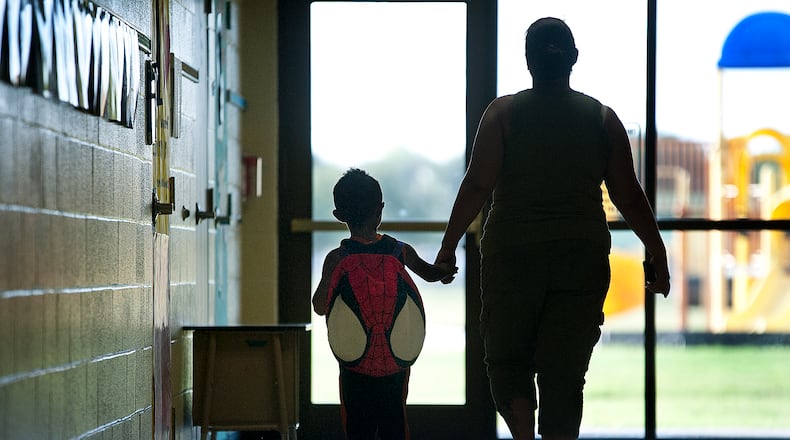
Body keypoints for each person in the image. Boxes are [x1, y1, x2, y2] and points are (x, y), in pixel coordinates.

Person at [434, 17, 670, 440]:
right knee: (564, 372)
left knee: (507, 359)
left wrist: (448, 247)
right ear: (574, 59)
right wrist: (657, 250)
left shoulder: (503, 114)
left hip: (512, 257)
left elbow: (476, 185)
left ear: (526, 61)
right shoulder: (601, 118)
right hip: (580, 259)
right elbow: (629, 196)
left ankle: (523, 433)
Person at [313, 168, 457, 440]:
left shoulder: (336, 258)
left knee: (357, 425)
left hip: (353, 359)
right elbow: (430, 273)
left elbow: (320, 306)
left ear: (338, 216)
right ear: (380, 210)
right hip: (395, 357)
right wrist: (446, 270)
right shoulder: (399, 250)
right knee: (395, 421)